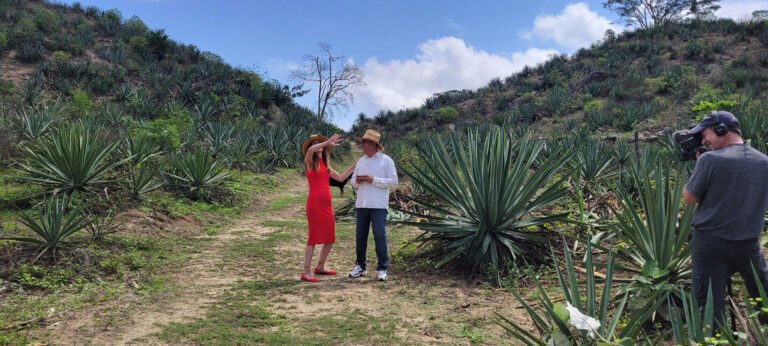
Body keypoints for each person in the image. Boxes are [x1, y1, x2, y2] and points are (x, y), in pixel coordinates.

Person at [682, 110, 768, 326]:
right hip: (748, 243)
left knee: (709, 303)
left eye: (705, 134)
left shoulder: (709, 160)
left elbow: (689, 198)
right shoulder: (764, 161)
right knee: (764, 294)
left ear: (721, 129)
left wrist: (700, 165)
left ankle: (715, 338)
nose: (704, 141)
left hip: (710, 245)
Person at [300, 133, 355, 283]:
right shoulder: (310, 162)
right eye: (314, 143)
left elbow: (342, 177)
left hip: (326, 205)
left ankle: (320, 266)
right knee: (313, 238)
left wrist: (356, 165)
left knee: (329, 238)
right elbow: (311, 151)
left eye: (319, 143)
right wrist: (326, 143)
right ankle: (306, 271)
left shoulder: (326, 166)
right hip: (314, 204)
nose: (316, 145)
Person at [348, 129, 398, 281]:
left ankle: (382, 268)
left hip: (378, 206)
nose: (362, 145)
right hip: (362, 204)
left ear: (373, 144)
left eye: (364, 142)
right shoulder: (361, 162)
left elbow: (394, 182)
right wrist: (359, 181)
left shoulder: (386, 160)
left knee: (379, 236)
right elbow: (352, 183)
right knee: (360, 237)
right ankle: (360, 266)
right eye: (361, 142)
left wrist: (373, 179)